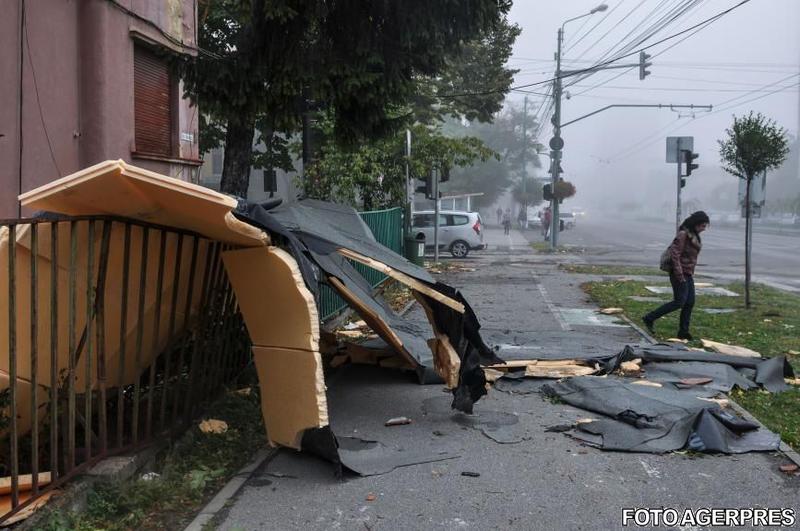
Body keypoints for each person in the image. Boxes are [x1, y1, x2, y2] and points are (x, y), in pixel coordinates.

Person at [642, 211, 710, 340]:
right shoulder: (683, 234)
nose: (704, 229)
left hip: (687, 272)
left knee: (689, 302)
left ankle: (683, 332)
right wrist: (679, 274)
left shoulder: (694, 236)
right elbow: (675, 254)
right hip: (679, 272)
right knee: (679, 302)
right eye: (703, 226)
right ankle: (649, 318)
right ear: (696, 224)